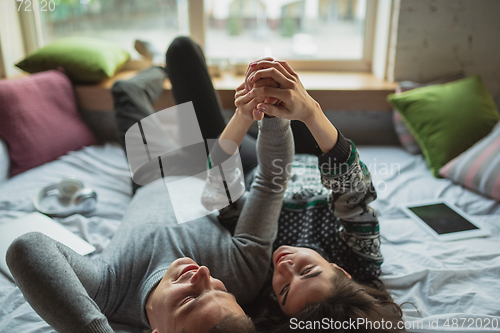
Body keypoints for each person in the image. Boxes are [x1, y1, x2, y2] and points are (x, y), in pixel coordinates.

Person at [6, 37, 294, 333]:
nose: (203, 275)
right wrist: (273, 113)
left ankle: (153, 68)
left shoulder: (109, 290)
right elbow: (271, 182)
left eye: (191, 299)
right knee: (181, 48)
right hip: (208, 166)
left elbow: (27, 248)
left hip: (152, 174)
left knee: (125, 92)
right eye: (221, 291)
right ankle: (162, 63)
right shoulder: (243, 275)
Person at [202, 59, 405, 331]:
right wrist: (311, 111)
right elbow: (354, 188)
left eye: (284, 290)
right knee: (274, 81)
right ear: (340, 271)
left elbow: (221, 190)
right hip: (313, 155)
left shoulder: (256, 281)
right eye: (307, 271)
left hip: (253, 166)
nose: (285, 268)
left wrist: (242, 115)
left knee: (183, 51)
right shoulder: (360, 260)